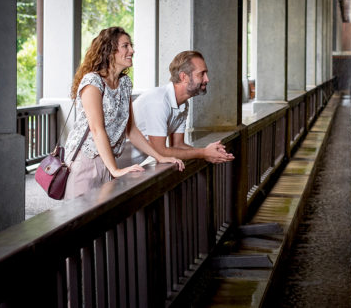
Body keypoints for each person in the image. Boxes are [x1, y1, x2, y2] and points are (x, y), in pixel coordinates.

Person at [63, 27, 184, 200]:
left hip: (109, 160)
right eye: (125, 46)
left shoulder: (125, 83)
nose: (132, 51)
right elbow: (97, 129)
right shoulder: (92, 82)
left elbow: (131, 130)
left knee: (104, 218)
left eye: (131, 46)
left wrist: (160, 157)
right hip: (86, 161)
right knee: (80, 220)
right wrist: (115, 169)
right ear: (109, 50)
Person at [131, 50, 235, 164]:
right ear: (184, 77)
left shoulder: (183, 103)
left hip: (128, 165)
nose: (207, 79)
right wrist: (203, 153)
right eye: (202, 73)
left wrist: (209, 152)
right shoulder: (159, 101)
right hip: (114, 165)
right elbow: (160, 151)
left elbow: (177, 145)